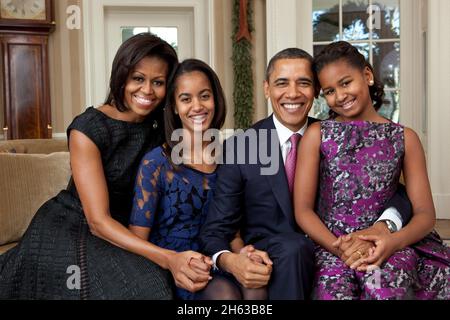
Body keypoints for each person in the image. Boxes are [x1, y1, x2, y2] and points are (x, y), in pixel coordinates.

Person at [199, 47, 413, 300]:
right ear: (267, 88)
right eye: (282, 83)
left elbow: (392, 189)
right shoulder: (242, 146)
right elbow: (215, 229)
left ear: (316, 91)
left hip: (339, 249)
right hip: (277, 256)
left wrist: (385, 224)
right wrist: (232, 260)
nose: (293, 93)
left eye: (304, 83)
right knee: (293, 248)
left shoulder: (335, 134)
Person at [0, 33, 179, 299]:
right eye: (138, 78)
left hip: (124, 228)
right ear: (121, 76)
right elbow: (98, 221)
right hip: (73, 226)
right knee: (147, 288)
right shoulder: (89, 128)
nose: (147, 91)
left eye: (158, 82)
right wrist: (168, 258)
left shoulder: (159, 126)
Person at [294, 41, 450, 300]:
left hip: (389, 245)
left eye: (346, 83)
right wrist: (341, 248)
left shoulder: (405, 138)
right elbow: (303, 210)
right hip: (333, 246)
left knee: (385, 286)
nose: (340, 96)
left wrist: (392, 242)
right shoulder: (317, 135)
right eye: (330, 91)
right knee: (334, 291)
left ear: (367, 75)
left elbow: (425, 214)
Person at [128, 58, 224, 300]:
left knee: (255, 290)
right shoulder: (156, 163)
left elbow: (235, 227)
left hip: (218, 259)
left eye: (204, 96)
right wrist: (172, 261)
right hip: (172, 267)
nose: (197, 106)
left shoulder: (231, 158)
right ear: (173, 106)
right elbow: (137, 240)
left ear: (216, 99)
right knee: (225, 296)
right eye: (186, 99)